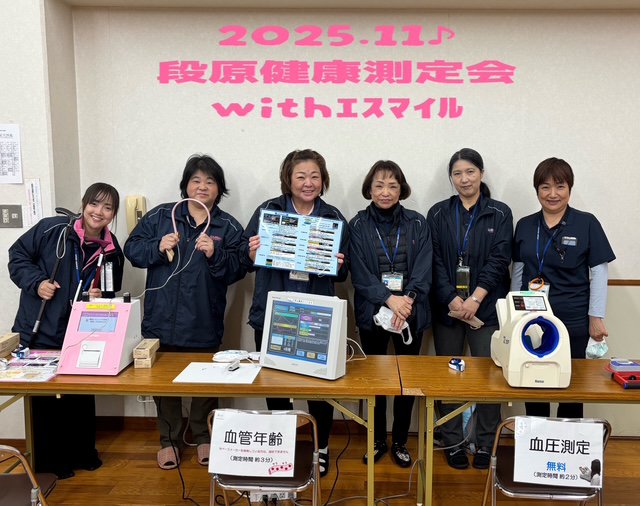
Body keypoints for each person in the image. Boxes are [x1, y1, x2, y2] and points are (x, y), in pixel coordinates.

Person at [124, 154, 246, 470]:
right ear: (186, 185)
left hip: (204, 319)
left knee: (206, 383)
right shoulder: (161, 216)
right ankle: (169, 441)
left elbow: (240, 268)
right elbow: (132, 249)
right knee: (164, 385)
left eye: (210, 181)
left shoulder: (228, 226)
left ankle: (204, 436)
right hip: (160, 319)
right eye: (196, 180)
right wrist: (157, 246)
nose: (202, 186)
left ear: (219, 189)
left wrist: (215, 253)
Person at [242, 149, 349, 477]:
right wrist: (252, 253)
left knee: (319, 386)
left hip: (317, 315)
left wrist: (338, 264)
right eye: (301, 176)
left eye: (315, 176)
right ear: (288, 179)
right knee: (275, 384)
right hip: (273, 313)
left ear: (323, 180)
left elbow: (343, 273)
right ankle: (282, 446)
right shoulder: (269, 211)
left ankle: (321, 447)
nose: (308, 183)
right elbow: (245, 258)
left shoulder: (332, 216)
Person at [9, 183, 124, 479]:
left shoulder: (111, 249)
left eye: (107, 207)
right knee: (46, 399)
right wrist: (37, 283)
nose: (99, 212)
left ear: (113, 214)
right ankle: (50, 461)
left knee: (80, 394)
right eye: (94, 204)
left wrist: (101, 296)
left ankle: (82, 452)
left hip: (82, 333)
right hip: (41, 327)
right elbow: (17, 256)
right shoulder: (53, 230)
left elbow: (112, 291)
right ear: (83, 204)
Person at [427, 148, 512, 470]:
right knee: (450, 376)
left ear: (482, 174)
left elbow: (499, 260)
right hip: (448, 309)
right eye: (458, 173)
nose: (464, 179)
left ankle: (486, 443)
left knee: (489, 376)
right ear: (451, 178)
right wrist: (452, 298)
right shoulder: (438, 213)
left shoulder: (500, 213)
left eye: (470, 172)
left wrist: (475, 298)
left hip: (486, 309)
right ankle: (453, 442)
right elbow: (433, 260)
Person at [512, 157, 615, 419]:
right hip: (532, 317)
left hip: (573, 318)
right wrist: (513, 314)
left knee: (572, 387)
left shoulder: (587, 223)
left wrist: (596, 317)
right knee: (533, 381)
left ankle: (568, 439)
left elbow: (599, 272)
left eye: (560, 186)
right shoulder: (525, 225)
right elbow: (519, 270)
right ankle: (536, 437)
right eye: (545, 187)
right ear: (537, 190)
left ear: (570, 188)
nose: (553, 194)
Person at [349, 160, 432, 467]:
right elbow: (359, 274)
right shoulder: (357, 225)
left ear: (401, 189)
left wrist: (406, 301)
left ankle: (399, 440)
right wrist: (388, 299)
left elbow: (424, 268)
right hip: (373, 313)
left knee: (405, 381)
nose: (386, 192)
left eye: (392, 186)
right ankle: (376, 439)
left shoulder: (417, 223)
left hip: (410, 313)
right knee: (375, 380)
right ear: (369, 189)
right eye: (379, 185)